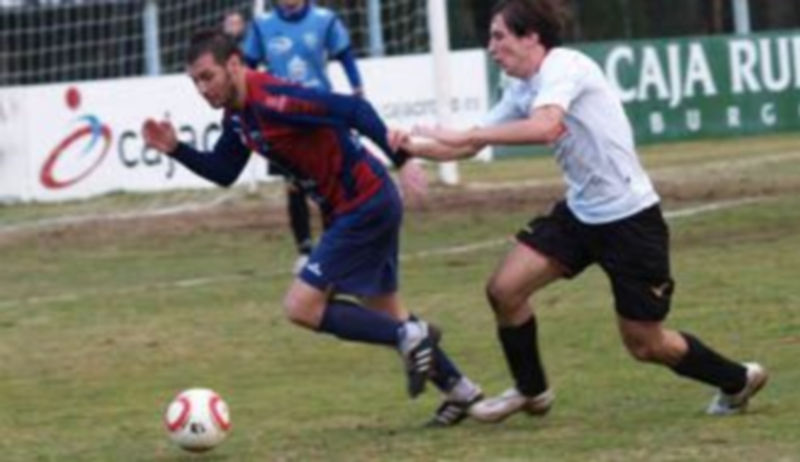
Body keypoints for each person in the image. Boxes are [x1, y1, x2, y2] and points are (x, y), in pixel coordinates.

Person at [392, 0, 767, 422]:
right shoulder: (521, 87)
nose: (491, 47)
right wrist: (407, 147)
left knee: (645, 343)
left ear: (531, 36)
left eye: (499, 36)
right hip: (581, 213)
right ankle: (532, 391)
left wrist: (466, 133)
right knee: (505, 290)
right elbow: (469, 144)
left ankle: (737, 379)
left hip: (630, 220)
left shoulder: (565, 67)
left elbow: (545, 127)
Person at [141, 30, 482, 427]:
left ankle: (410, 337)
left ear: (234, 63)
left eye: (207, 76)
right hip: (352, 209)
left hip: (364, 203)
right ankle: (461, 391)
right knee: (385, 311)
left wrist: (402, 158)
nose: (202, 88)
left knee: (301, 306)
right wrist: (176, 149)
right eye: (195, 81)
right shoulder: (237, 116)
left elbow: (353, 109)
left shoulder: (273, 98)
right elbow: (224, 171)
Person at [229, 1, 365, 274]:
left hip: (319, 111)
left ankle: (331, 246)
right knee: (294, 184)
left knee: (330, 181)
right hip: (280, 115)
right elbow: (248, 65)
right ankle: (304, 250)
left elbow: (344, 54)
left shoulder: (324, 19)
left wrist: (357, 87)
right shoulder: (262, 25)